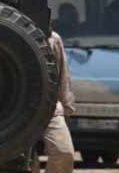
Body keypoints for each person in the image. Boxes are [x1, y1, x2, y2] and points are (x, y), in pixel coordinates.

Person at [40, 30, 76, 173]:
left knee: (64, 153)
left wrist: (67, 106)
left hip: (49, 108)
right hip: (15, 111)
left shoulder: (52, 38)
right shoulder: (7, 32)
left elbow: (62, 74)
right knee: (24, 163)